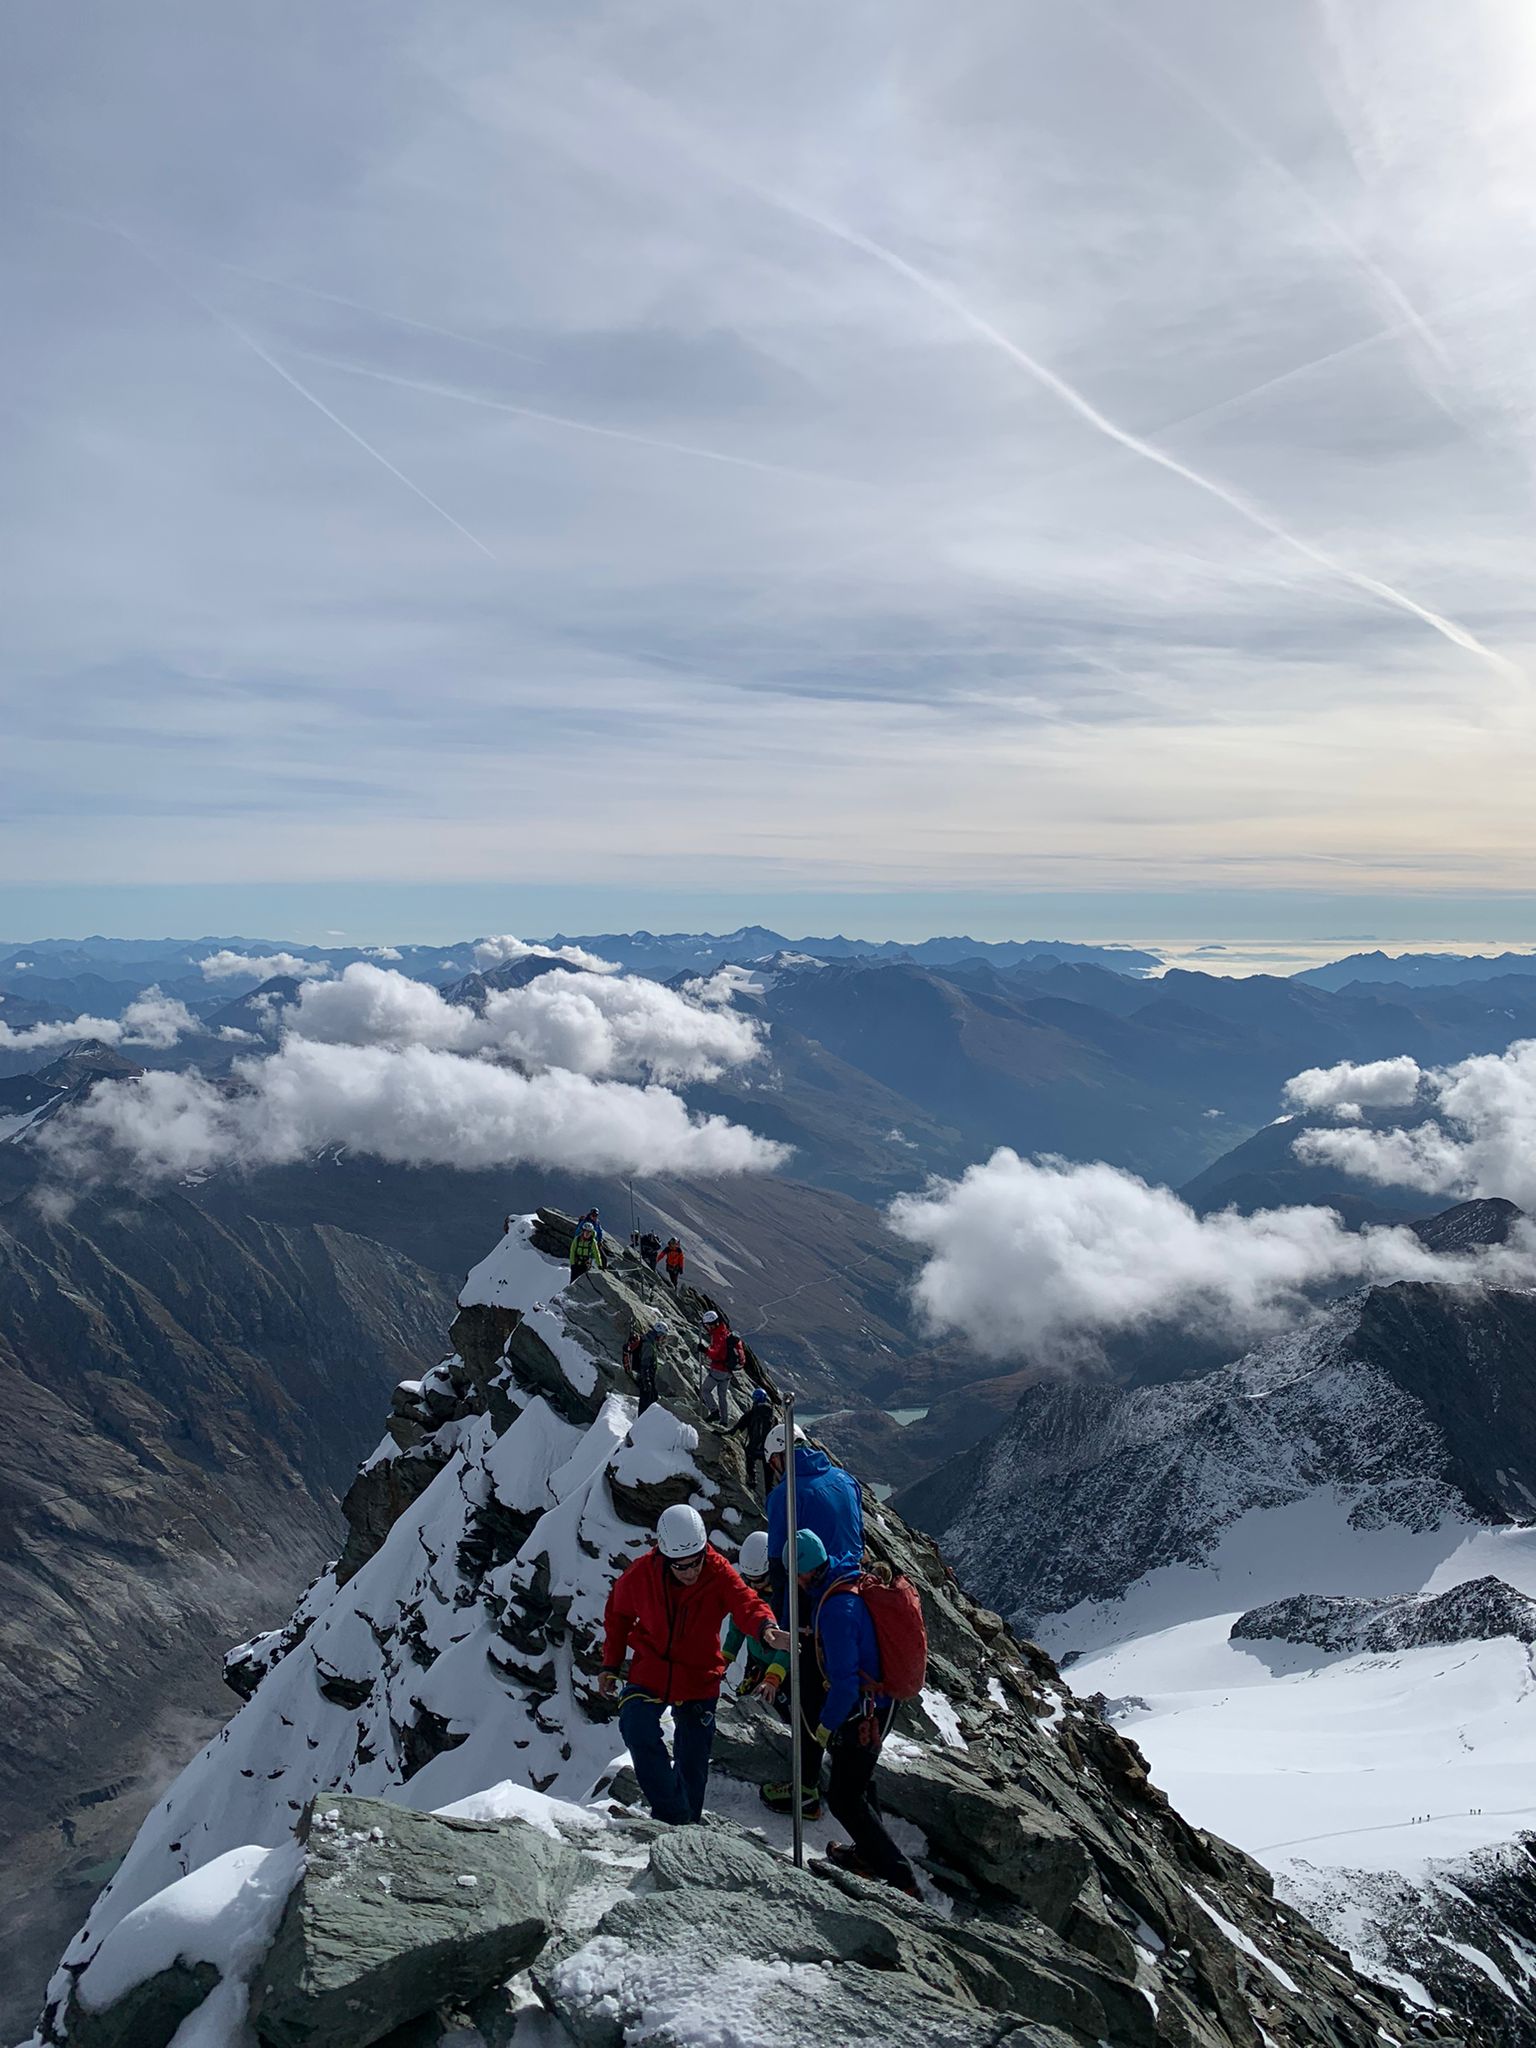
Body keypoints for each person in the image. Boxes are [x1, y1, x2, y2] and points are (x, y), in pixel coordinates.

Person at [599, 1505, 789, 1825]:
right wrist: (610, 1665)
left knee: (693, 1760)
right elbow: (617, 1615)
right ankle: (674, 1816)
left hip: (699, 1675)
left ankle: (684, 1822)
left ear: (704, 1550)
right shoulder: (642, 1574)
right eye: (681, 1566)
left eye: (696, 1562)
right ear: (664, 1555)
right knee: (635, 1726)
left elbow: (746, 1602)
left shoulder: (717, 1572)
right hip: (652, 1669)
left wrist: (764, 1628)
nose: (690, 1572)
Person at [775, 1529, 919, 1897]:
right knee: (857, 1781)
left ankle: (901, 1879)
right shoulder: (843, 1580)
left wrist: (824, 1726)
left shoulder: (837, 1610)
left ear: (804, 1572)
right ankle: (869, 1856)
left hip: (866, 1710)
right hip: (876, 1705)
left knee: (843, 1796)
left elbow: (844, 1684)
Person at [764, 1423, 864, 1577]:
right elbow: (858, 1533)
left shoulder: (783, 1495)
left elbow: (777, 1558)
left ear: (777, 1457)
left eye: (772, 1463)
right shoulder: (845, 1478)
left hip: (818, 1583)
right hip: (855, 1575)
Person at [720, 1529, 787, 1697]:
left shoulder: (786, 1596)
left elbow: (789, 1642)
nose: (754, 1586)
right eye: (750, 1580)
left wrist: (773, 1678)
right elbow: (737, 1627)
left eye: (759, 1581)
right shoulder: (746, 1588)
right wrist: (725, 1659)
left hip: (784, 1669)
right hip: (756, 1662)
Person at [724, 1387, 778, 1496]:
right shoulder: (772, 1415)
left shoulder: (752, 1413)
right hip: (769, 1451)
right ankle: (770, 1502)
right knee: (769, 1481)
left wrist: (724, 1434)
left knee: (749, 1456)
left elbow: (737, 1429)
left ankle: (752, 1479)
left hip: (754, 1449)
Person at [699, 1308, 742, 1427]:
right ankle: (724, 1421)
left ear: (712, 1324)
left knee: (705, 1390)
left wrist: (705, 1350)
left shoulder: (718, 1335)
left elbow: (716, 1353)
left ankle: (714, 1412)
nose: (707, 1327)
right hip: (728, 1370)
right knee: (722, 1395)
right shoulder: (725, 1331)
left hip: (719, 1369)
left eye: (708, 1325)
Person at [623, 1316, 668, 1415]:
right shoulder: (648, 1345)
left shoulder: (648, 1341)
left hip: (644, 1378)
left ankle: (645, 1425)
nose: (663, 1339)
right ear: (659, 1334)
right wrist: (647, 1381)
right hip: (645, 1379)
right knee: (646, 1406)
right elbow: (645, 1364)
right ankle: (641, 1427)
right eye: (663, 1336)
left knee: (650, 1404)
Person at [569, 1218, 605, 1285]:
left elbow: (596, 1253)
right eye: (586, 1231)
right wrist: (572, 1263)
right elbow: (572, 1251)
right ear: (583, 1231)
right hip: (576, 1263)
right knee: (573, 1281)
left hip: (585, 1264)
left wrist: (599, 1265)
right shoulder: (577, 1239)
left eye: (589, 1232)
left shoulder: (593, 1242)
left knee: (583, 1282)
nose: (587, 1234)